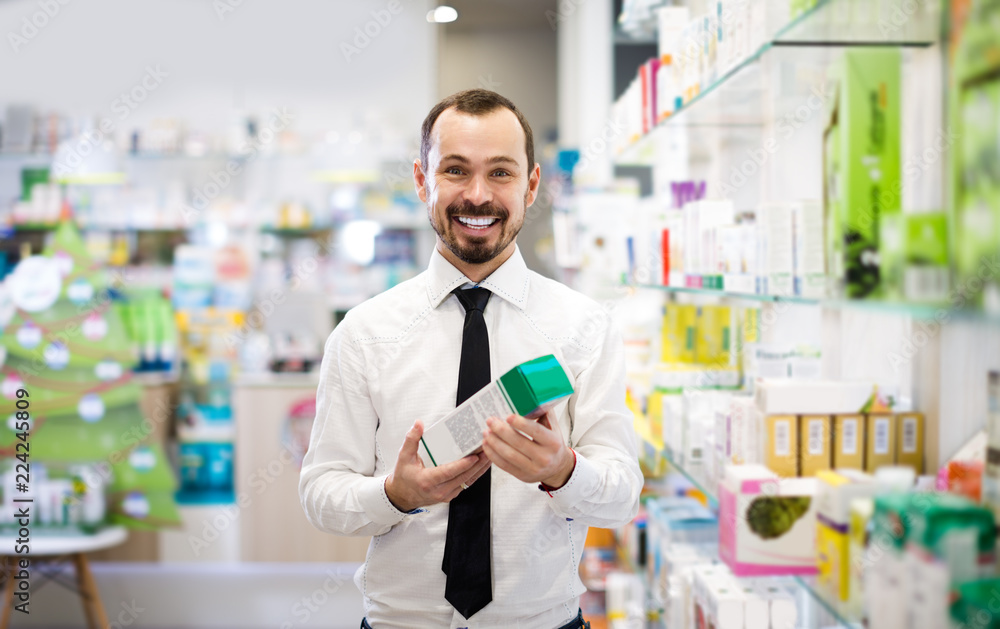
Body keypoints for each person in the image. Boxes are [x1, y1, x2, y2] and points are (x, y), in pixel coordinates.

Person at [299, 89, 642, 629]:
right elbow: (321, 493)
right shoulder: (364, 333)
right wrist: (394, 494)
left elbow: (621, 496)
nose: (478, 196)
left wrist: (563, 471)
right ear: (422, 181)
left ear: (531, 185)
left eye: (501, 173)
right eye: (455, 170)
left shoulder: (585, 328)